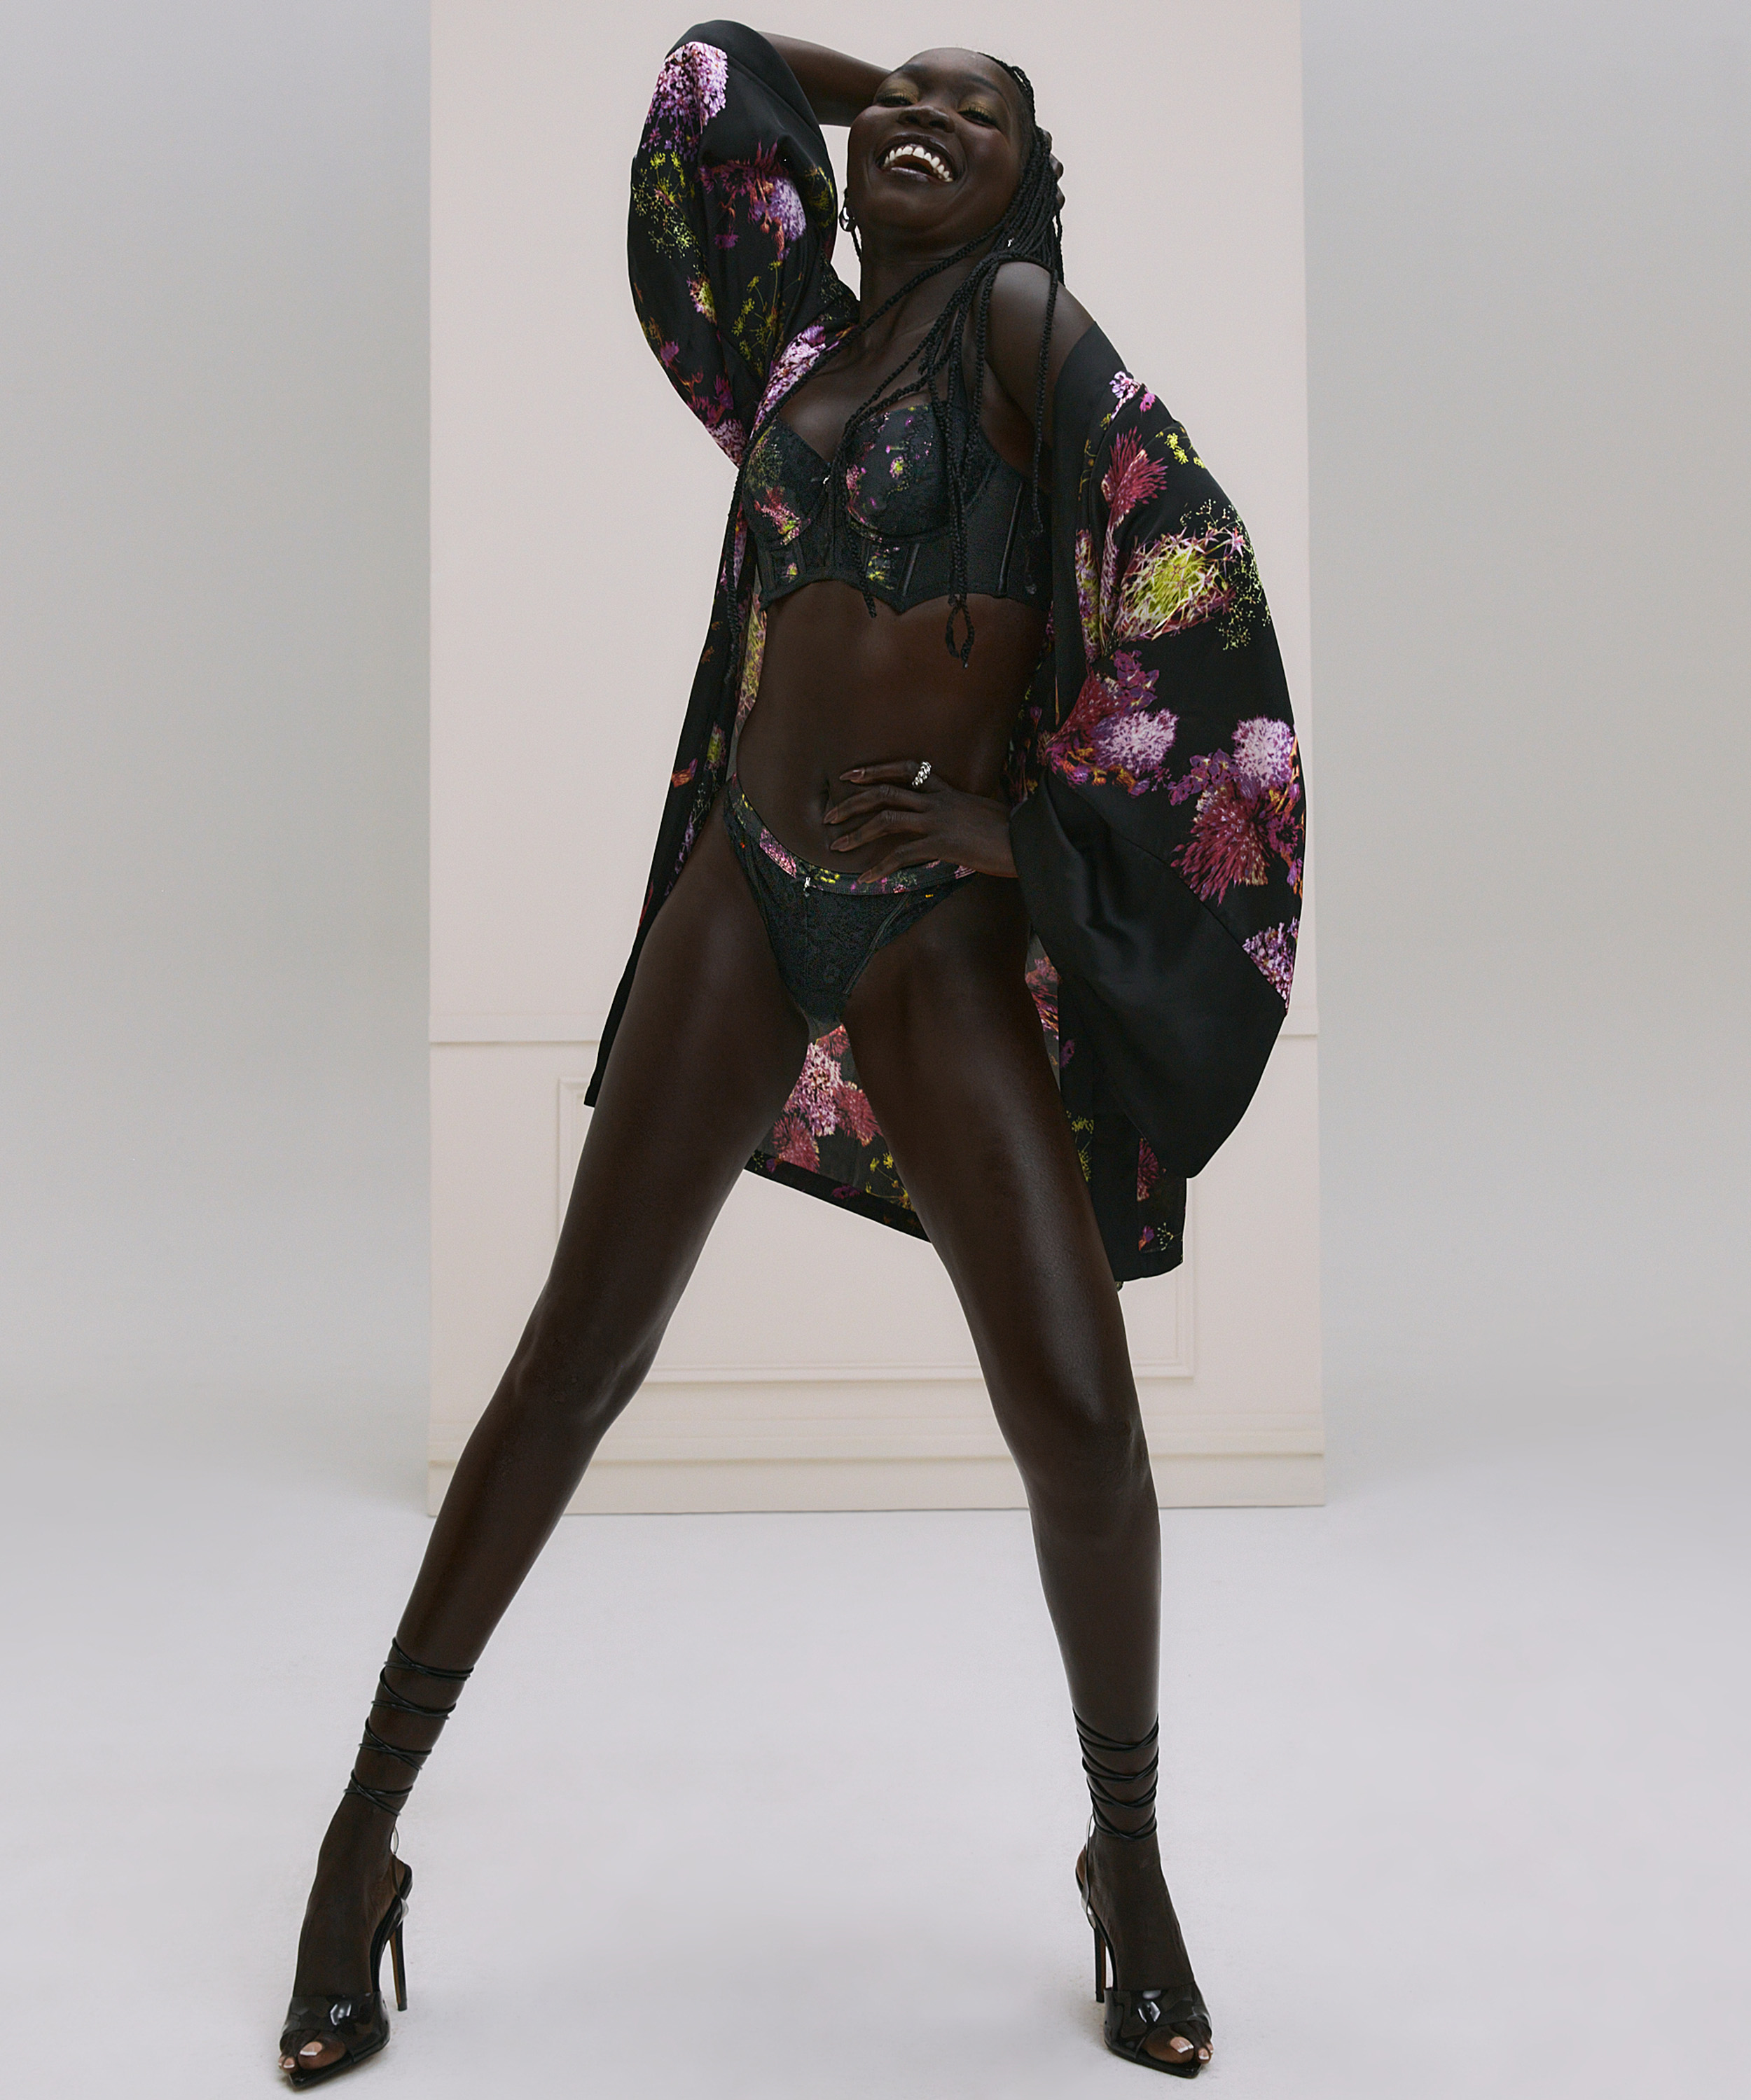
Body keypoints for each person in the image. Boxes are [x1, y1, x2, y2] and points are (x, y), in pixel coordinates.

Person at [279, 20, 1305, 2085]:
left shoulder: (1022, 331)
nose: (921, 115)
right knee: (577, 1357)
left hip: (930, 925)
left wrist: (1013, 837)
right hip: (743, 888)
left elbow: (1194, 602)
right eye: (901, 101)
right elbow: (712, 76)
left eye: (975, 109)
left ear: (1029, 180)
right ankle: (354, 1849)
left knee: (1080, 1423)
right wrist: (872, 101)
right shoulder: (798, 351)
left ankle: (1126, 1861)